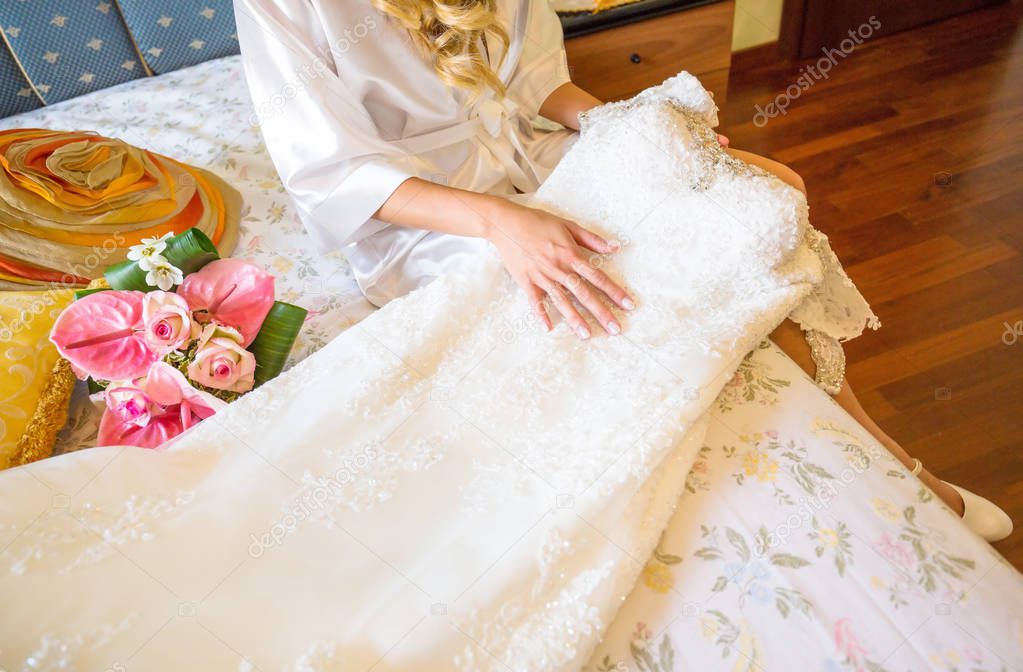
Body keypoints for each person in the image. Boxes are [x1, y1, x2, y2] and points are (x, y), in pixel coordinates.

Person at [234, 0, 1011, 542]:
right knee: (650, 298)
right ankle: (891, 483)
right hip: (437, 219)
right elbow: (330, 175)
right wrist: (505, 221)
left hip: (544, 159)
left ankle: (884, 464)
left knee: (765, 197)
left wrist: (624, 126)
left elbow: (537, 83)